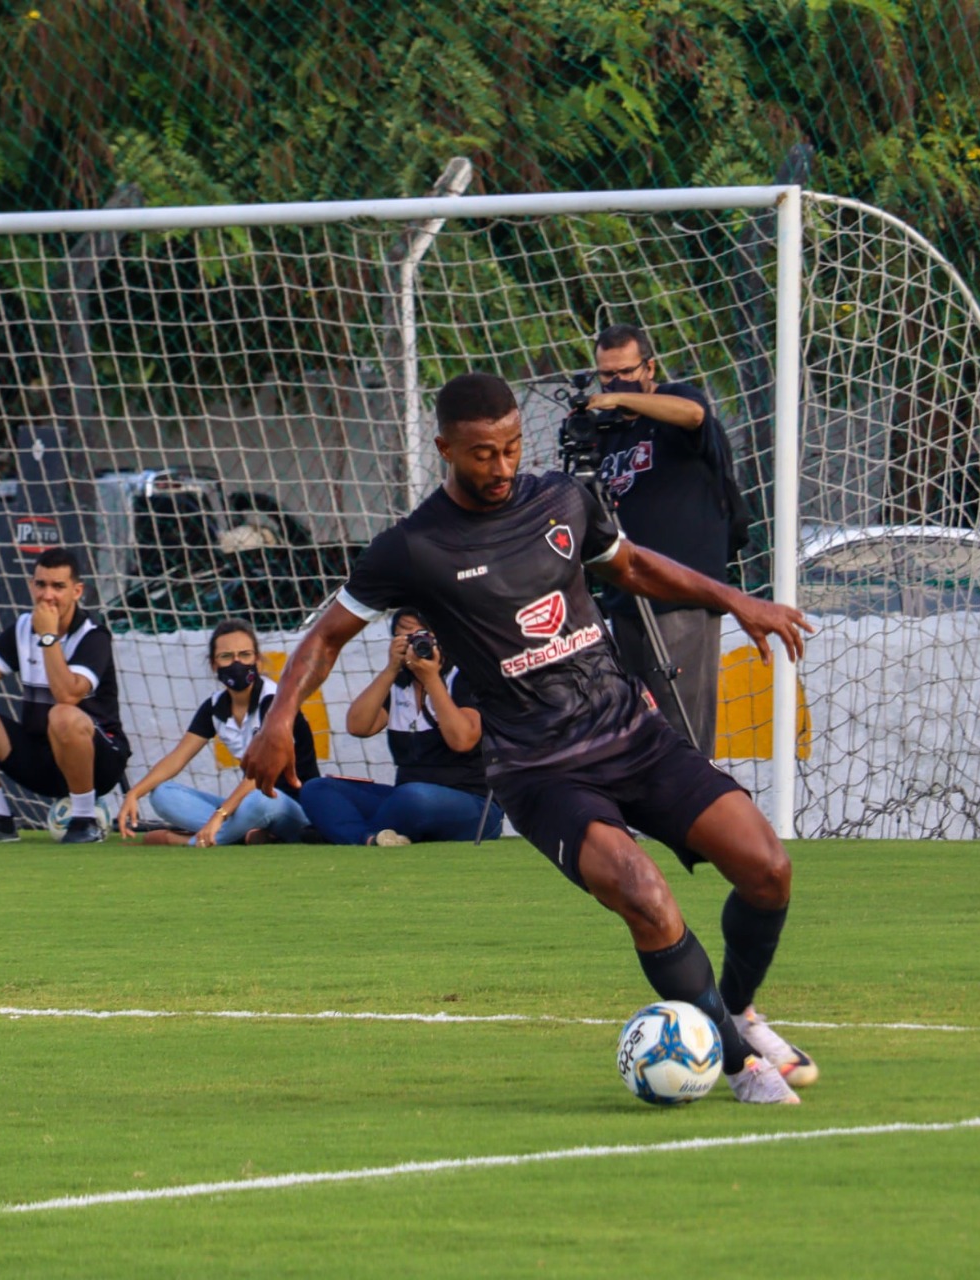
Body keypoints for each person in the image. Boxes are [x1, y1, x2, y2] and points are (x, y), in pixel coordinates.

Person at [243, 372, 817, 1105]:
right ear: (446, 449)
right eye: (483, 453)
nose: (502, 466)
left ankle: (732, 1011)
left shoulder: (563, 501)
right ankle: (741, 1066)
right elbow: (326, 636)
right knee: (644, 895)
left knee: (768, 868)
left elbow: (632, 566)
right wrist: (277, 720)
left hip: (630, 732)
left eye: (512, 447)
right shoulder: (413, 547)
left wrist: (734, 598)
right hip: (540, 768)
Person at [584, 322, 737, 753]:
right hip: (626, 593)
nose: (615, 382)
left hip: (680, 595)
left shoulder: (676, 400)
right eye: (606, 375)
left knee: (680, 727)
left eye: (626, 372)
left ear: (649, 368)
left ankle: (696, 795)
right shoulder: (606, 430)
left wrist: (620, 398)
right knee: (638, 725)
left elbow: (694, 416)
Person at [0, 547, 131, 844]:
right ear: (31, 586)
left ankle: (85, 820)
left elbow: (67, 695)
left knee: (62, 714)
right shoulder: (22, 628)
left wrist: (48, 637)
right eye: (41, 585)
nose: (47, 595)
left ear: (77, 591)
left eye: (58, 586)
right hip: (41, 761)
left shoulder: (93, 636)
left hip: (99, 764)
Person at [297, 607, 503, 847]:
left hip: (470, 804)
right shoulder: (398, 685)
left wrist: (431, 679)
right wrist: (391, 669)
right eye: (404, 636)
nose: (415, 645)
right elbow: (358, 726)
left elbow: (463, 740)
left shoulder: (465, 678)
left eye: (421, 635)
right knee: (317, 789)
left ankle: (343, 831)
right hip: (404, 800)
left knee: (414, 798)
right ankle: (369, 838)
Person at [116, 618, 318, 848]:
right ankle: (244, 834)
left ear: (257, 660)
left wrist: (219, 816)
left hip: (290, 806)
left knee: (259, 800)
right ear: (214, 664)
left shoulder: (274, 702)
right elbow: (177, 758)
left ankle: (186, 840)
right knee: (162, 794)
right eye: (226, 656)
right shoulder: (214, 706)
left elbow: (258, 778)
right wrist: (134, 794)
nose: (236, 663)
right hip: (246, 806)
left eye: (245, 655)